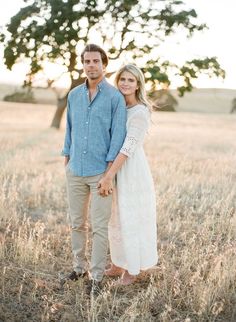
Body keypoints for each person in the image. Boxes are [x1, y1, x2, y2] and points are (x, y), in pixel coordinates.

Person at [61, 44, 127, 294]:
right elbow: (69, 129)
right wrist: (66, 160)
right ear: (83, 64)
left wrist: (109, 175)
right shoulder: (73, 95)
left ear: (104, 65)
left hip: (101, 174)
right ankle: (78, 268)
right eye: (87, 61)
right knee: (76, 223)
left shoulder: (115, 98)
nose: (91, 65)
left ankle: (96, 277)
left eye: (95, 61)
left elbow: (117, 138)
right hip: (75, 170)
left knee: (99, 227)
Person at [98, 64, 158, 285]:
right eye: (122, 79)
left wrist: (109, 175)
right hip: (115, 167)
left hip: (131, 170)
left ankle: (131, 270)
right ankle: (117, 263)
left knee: (130, 217)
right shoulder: (118, 106)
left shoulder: (140, 111)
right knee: (115, 217)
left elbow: (128, 148)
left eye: (131, 80)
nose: (125, 83)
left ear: (138, 84)